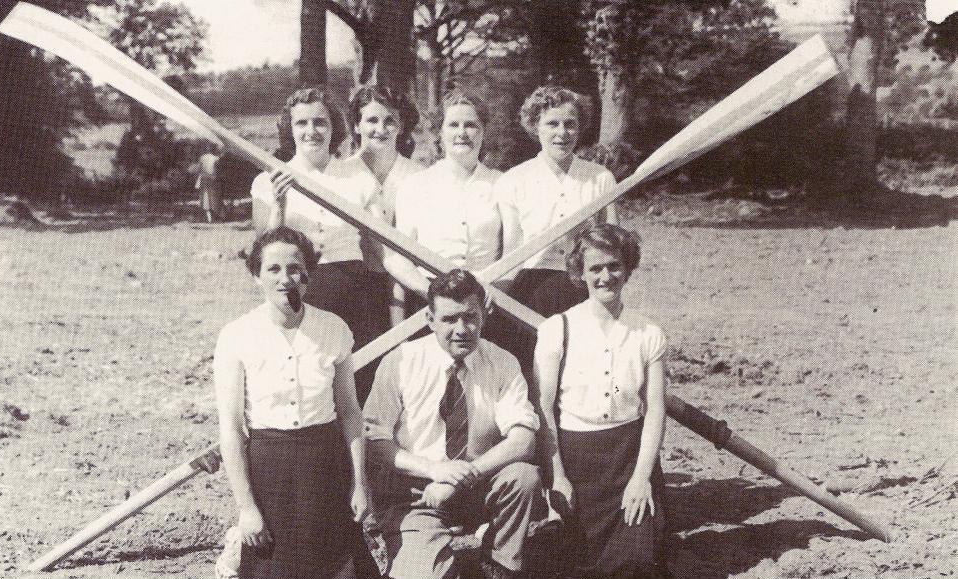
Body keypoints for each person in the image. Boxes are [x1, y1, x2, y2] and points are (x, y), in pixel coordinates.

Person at [363, 269, 543, 579]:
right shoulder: (402, 361)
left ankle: (500, 563)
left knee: (523, 477)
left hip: (479, 484)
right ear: (429, 319)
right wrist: (434, 471)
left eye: (470, 317)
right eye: (449, 319)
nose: (462, 329)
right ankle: (427, 548)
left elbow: (523, 440)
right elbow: (375, 440)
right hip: (417, 494)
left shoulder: (502, 362)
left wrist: (457, 478)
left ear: (484, 316)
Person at [214, 226, 370, 579]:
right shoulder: (236, 336)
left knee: (337, 567)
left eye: (295, 268)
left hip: (325, 463)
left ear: (309, 274)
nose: (286, 279)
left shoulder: (334, 328)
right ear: (256, 276)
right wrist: (247, 508)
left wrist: (359, 484)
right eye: (273, 269)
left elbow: (349, 412)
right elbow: (232, 429)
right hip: (271, 467)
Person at [534, 224, 670, 579]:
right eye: (595, 268)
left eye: (614, 266)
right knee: (570, 563)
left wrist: (642, 478)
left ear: (628, 268)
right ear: (580, 273)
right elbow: (544, 408)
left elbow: (655, 410)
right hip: (575, 457)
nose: (605, 276)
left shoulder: (649, 333)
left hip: (628, 456)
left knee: (637, 563)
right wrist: (558, 476)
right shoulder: (557, 328)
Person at [249, 87, 384, 404]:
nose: (312, 131)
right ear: (290, 129)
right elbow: (264, 250)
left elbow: (380, 241)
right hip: (300, 288)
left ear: (333, 127)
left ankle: (357, 451)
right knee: (309, 376)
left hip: (354, 288)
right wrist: (279, 206)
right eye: (302, 123)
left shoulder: (358, 175)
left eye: (320, 122)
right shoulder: (269, 180)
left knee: (358, 377)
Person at [494, 85, 619, 367]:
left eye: (570, 124)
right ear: (535, 127)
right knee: (534, 371)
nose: (562, 133)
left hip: (584, 289)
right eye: (552, 124)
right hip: (531, 291)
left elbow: (614, 249)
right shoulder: (514, 180)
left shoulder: (600, 178)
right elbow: (512, 253)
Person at [384, 89, 503, 317]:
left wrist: (494, 288)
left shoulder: (501, 183)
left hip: (486, 301)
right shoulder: (415, 185)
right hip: (430, 302)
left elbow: (511, 250)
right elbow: (399, 257)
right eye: (453, 125)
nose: (462, 133)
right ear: (440, 132)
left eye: (471, 125)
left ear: (483, 131)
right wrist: (431, 292)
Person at [342, 85, 424, 322]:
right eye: (372, 120)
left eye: (390, 121)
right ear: (357, 125)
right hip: (359, 286)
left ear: (400, 126)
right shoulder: (343, 174)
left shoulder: (418, 176)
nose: (381, 129)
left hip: (413, 286)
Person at [197, 147, 224, 222]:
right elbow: (217, 170)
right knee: (214, 197)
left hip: (204, 178)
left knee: (205, 197)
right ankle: (217, 215)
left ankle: (208, 217)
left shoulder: (202, 157)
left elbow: (199, 169)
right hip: (213, 179)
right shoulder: (216, 158)